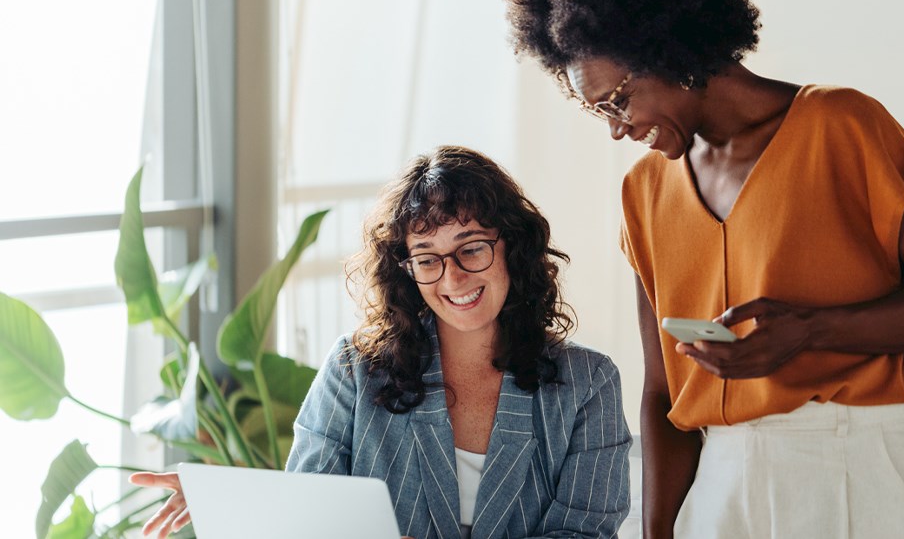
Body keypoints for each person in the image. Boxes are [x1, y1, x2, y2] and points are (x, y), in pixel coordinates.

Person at [506, 0, 904, 538]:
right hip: (720, 482)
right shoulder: (643, 191)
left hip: (856, 465)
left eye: (617, 100)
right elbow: (663, 393)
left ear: (670, 52)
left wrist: (812, 331)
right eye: (597, 110)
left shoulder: (841, 124)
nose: (616, 128)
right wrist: (658, 531)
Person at [130, 145, 632, 539]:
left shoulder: (588, 383)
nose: (453, 278)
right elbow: (310, 513)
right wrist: (233, 501)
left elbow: (584, 533)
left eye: (472, 248)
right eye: (427, 259)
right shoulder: (354, 369)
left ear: (513, 246)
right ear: (406, 270)